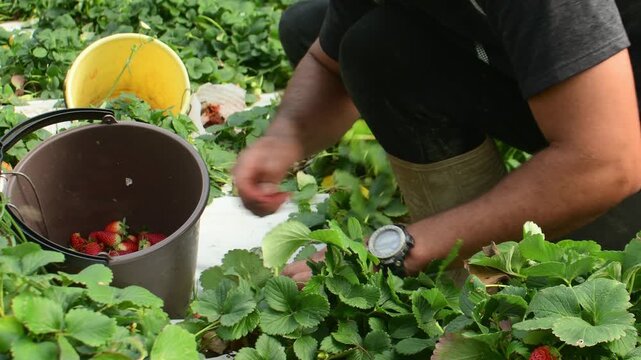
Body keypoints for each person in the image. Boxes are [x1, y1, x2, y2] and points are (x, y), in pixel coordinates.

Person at [233, 0, 641, 280]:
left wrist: (396, 252)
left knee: (570, 287)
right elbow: (328, 62)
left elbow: (605, 164)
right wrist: (283, 138)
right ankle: (473, 256)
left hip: (619, 141)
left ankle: (477, 255)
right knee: (368, 41)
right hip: (580, 97)